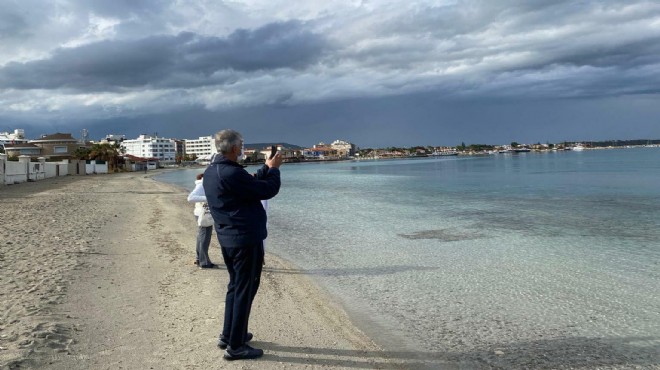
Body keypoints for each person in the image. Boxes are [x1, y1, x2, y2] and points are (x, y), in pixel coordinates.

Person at [203, 129, 282, 361]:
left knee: (236, 287)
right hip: (245, 239)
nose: (243, 148)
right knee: (244, 290)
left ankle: (230, 335)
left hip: (230, 238)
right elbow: (267, 190)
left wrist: (267, 168)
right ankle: (235, 346)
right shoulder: (231, 173)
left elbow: (249, 184)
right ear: (235, 148)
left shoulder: (212, 170)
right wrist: (275, 170)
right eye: (242, 145)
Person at [187, 173, 218, 269]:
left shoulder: (202, 184)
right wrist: (209, 199)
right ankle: (204, 262)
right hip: (203, 214)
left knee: (201, 237)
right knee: (204, 238)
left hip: (201, 213)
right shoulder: (201, 185)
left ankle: (198, 258)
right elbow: (190, 198)